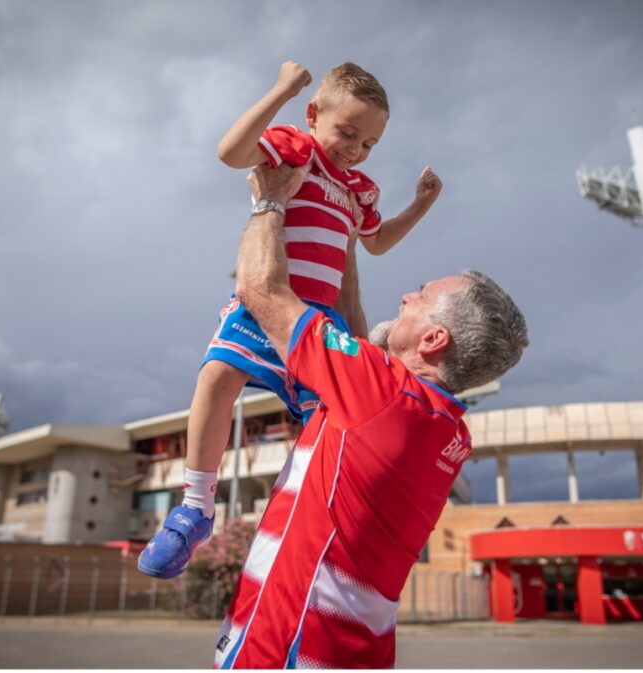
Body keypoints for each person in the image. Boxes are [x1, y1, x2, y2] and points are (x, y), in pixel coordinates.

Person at [210, 161, 528, 668]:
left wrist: (269, 199)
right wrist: (346, 236)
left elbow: (260, 290)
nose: (405, 296)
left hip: (291, 648)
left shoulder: (379, 394)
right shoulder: (443, 426)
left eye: (420, 297)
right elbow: (361, 343)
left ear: (433, 340)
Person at [139, 61, 442, 579]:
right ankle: (195, 506)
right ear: (313, 115)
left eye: (370, 143)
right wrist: (280, 89)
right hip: (266, 301)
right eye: (347, 132)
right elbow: (230, 152)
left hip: (318, 318)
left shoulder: (358, 189)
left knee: (329, 422)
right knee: (216, 374)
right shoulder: (295, 149)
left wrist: (421, 204)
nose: (356, 148)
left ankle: (313, 522)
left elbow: (377, 243)